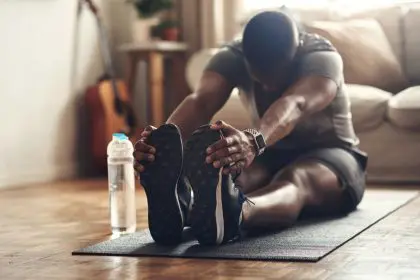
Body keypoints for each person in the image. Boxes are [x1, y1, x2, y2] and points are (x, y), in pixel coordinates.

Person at [133, 10, 368, 246]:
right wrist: (162, 145)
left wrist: (253, 140)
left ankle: (238, 213)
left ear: (296, 54)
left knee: (296, 179)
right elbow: (201, 101)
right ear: (245, 57)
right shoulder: (232, 55)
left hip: (333, 155)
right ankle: (186, 208)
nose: (267, 86)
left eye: (276, 77)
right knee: (231, 177)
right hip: (271, 154)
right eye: (260, 78)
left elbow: (295, 104)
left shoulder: (322, 57)